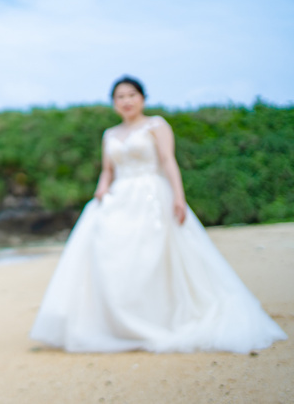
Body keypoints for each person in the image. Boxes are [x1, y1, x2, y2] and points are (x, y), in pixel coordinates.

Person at [29, 76, 287, 353]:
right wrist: (101, 190)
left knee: (154, 256)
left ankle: (161, 319)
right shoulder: (110, 134)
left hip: (152, 194)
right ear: (114, 103)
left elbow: (167, 160)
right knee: (116, 259)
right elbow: (108, 170)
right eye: (120, 97)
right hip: (120, 198)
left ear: (142, 98)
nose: (126, 101)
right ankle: (121, 325)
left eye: (131, 95)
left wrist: (179, 196)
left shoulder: (156, 125)